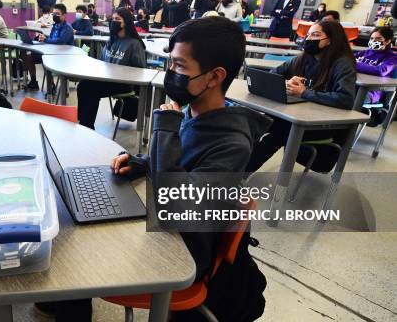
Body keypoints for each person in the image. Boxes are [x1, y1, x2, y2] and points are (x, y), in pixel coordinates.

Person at [41, 16, 270, 321]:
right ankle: (65, 302)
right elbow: (181, 166)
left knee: (77, 256)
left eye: (179, 66)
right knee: (74, 227)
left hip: (182, 252)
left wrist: (164, 128)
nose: (170, 74)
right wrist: (141, 163)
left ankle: (69, 301)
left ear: (214, 77)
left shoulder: (232, 145)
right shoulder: (194, 112)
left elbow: (173, 202)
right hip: (165, 230)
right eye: (170, 63)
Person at [246, 21, 357, 173]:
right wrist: (286, 82)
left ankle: (239, 173)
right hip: (302, 118)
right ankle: (237, 169)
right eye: (308, 35)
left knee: (279, 128)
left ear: (330, 40)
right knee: (260, 120)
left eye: (316, 35)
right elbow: (272, 74)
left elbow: (345, 99)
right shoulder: (305, 58)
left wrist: (304, 93)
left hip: (326, 125)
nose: (310, 38)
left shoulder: (342, 63)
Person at [76, 7, 146, 129]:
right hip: (107, 79)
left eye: (118, 19)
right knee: (83, 85)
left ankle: (87, 126)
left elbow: (140, 71)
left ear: (126, 23)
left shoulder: (135, 43)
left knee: (89, 89)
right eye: (113, 19)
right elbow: (103, 62)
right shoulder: (112, 40)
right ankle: (82, 122)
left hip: (123, 83)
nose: (114, 22)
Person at [24, 3, 73, 91]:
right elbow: (51, 38)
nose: (54, 16)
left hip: (63, 56)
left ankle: (51, 86)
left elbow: (60, 41)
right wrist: (44, 38)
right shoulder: (55, 26)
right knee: (29, 57)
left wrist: (46, 40)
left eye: (57, 14)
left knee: (45, 59)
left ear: (64, 15)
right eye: (53, 14)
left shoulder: (67, 28)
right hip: (52, 52)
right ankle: (34, 82)